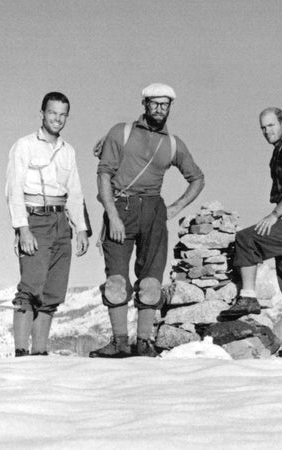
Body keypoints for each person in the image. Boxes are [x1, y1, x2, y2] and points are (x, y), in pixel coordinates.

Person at [90, 83, 205, 358]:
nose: (159, 109)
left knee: (151, 283)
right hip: (121, 206)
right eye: (154, 103)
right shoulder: (122, 132)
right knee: (116, 281)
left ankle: (143, 344)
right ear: (144, 104)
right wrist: (112, 215)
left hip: (154, 210)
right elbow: (103, 173)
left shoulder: (174, 143)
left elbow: (197, 178)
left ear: (170, 107)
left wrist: (175, 207)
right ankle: (119, 343)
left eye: (164, 105)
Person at [218, 107, 282, 360]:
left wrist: (276, 215)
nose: (267, 131)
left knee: (246, 238)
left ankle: (248, 297)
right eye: (263, 128)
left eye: (271, 126)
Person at [5, 92, 91, 357]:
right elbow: (13, 190)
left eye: (63, 114)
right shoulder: (25, 145)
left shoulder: (68, 151)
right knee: (31, 287)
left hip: (60, 221)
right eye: (53, 113)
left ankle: (39, 355)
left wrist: (81, 228)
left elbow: (75, 192)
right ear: (41, 113)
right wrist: (23, 228)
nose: (57, 119)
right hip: (35, 219)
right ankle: (21, 353)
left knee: (53, 291)